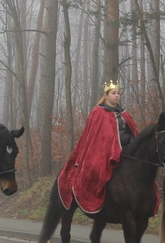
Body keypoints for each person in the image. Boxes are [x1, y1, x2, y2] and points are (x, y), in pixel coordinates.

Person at [57, 80, 138, 214]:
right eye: (113, 93)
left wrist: (132, 146)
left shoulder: (124, 114)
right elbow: (96, 137)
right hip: (103, 153)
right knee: (97, 169)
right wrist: (113, 150)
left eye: (118, 93)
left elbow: (132, 133)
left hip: (126, 153)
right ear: (106, 95)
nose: (117, 96)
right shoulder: (98, 112)